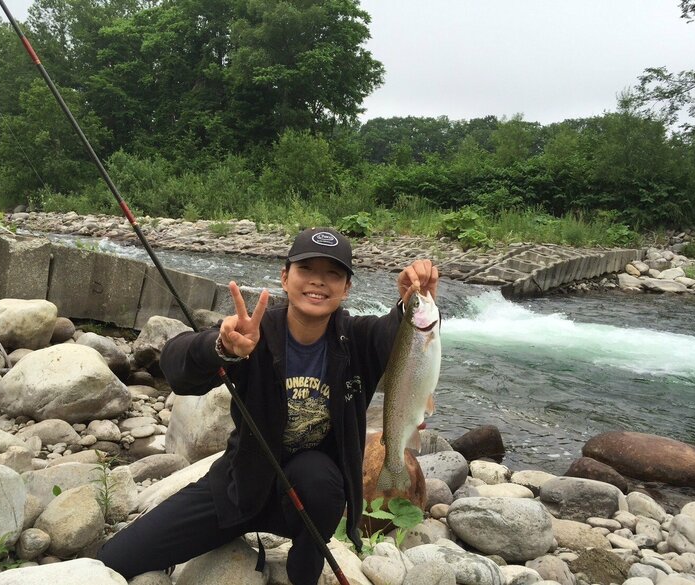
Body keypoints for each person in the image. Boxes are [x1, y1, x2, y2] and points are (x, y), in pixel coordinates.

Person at [97, 227, 439, 584]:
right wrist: (221, 347)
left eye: (332, 273)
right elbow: (176, 366)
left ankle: (302, 574)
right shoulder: (253, 333)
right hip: (239, 488)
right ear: (285, 277)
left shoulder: (359, 339)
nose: (318, 281)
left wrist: (413, 300)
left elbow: (402, 336)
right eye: (307, 269)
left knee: (318, 476)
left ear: (347, 288)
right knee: (114, 560)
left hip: (308, 501)